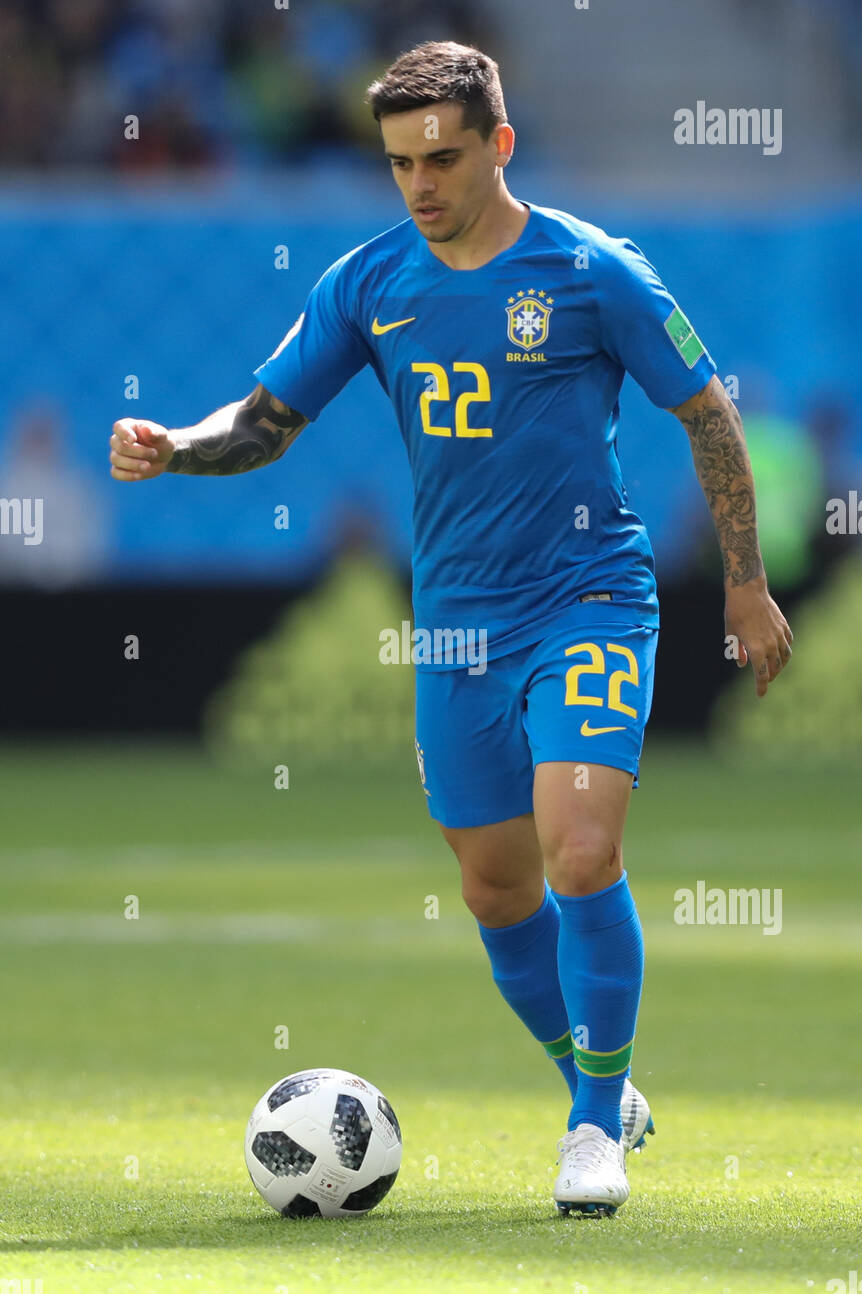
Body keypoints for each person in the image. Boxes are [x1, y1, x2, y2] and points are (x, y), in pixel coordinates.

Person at [109, 41, 793, 1218]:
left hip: (588, 596)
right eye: (398, 163)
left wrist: (743, 582)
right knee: (493, 888)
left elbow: (707, 412)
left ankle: (590, 1126)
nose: (420, 184)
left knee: (580, 848)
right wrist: (180, 443)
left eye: (442, 157)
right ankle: (591, 1076)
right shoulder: (370, 283)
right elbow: (269, 418)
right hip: (455, 629)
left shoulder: (590, 272)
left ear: (498, 146)